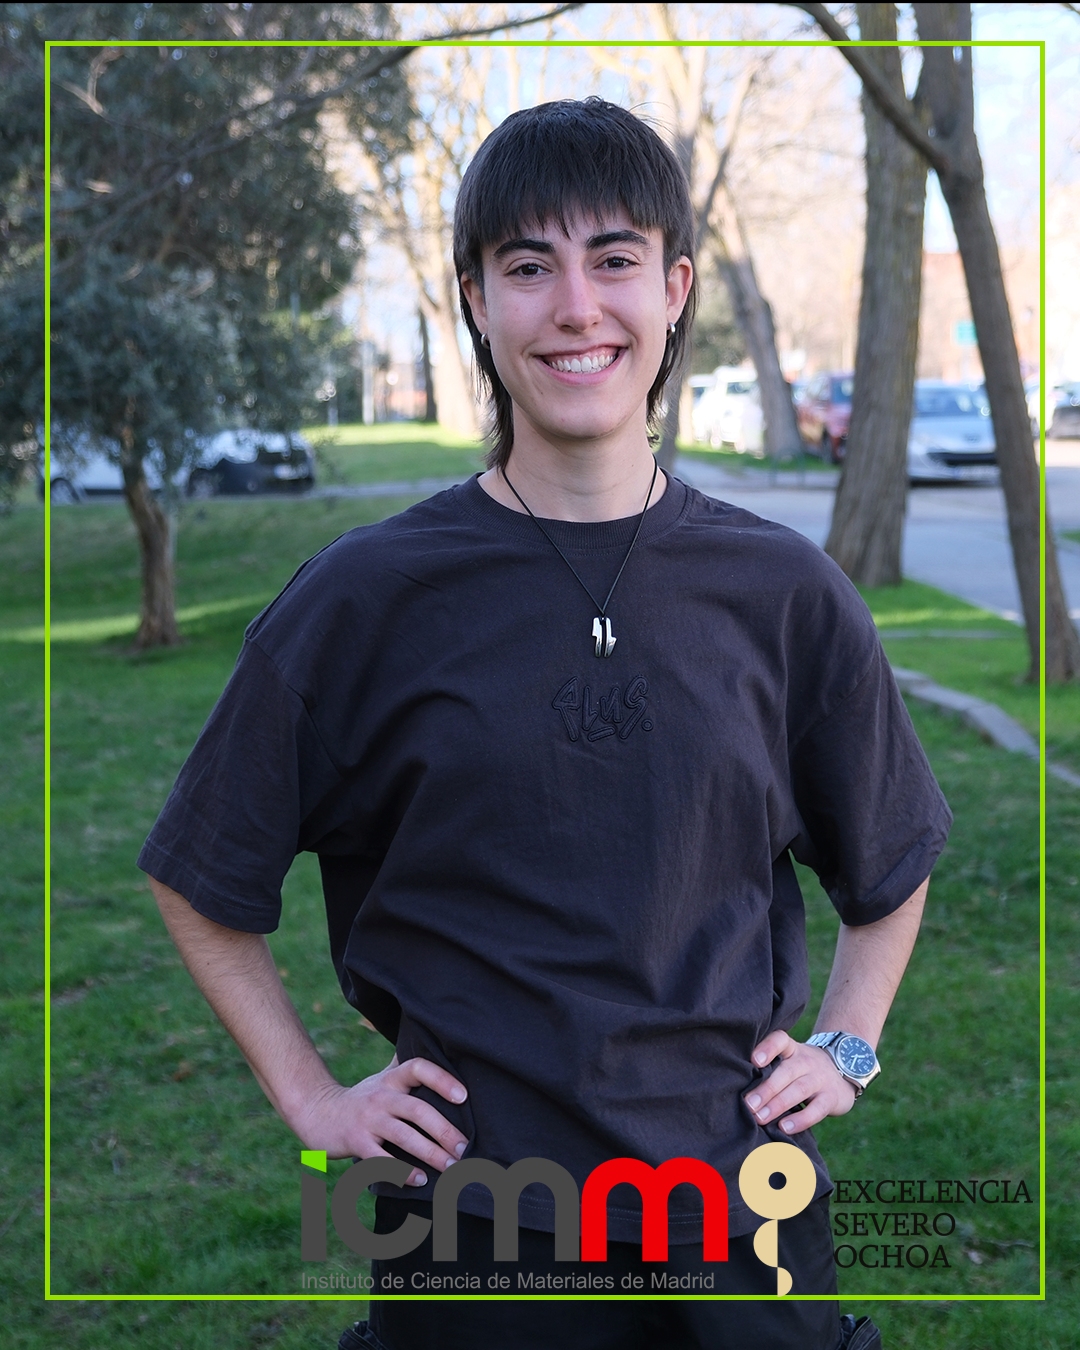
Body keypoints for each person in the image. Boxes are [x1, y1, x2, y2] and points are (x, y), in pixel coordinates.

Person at [140, 98, 951, 1350]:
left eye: (613, 258)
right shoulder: (366, 599)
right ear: (475, 299)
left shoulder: (784, 594)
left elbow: (892, 857)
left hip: (742, 1209)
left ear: (675, 289)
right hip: (474, 1224)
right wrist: (312, 1098)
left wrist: (847, 1046)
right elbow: (201, 874)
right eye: (529, 267)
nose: (576, 307)